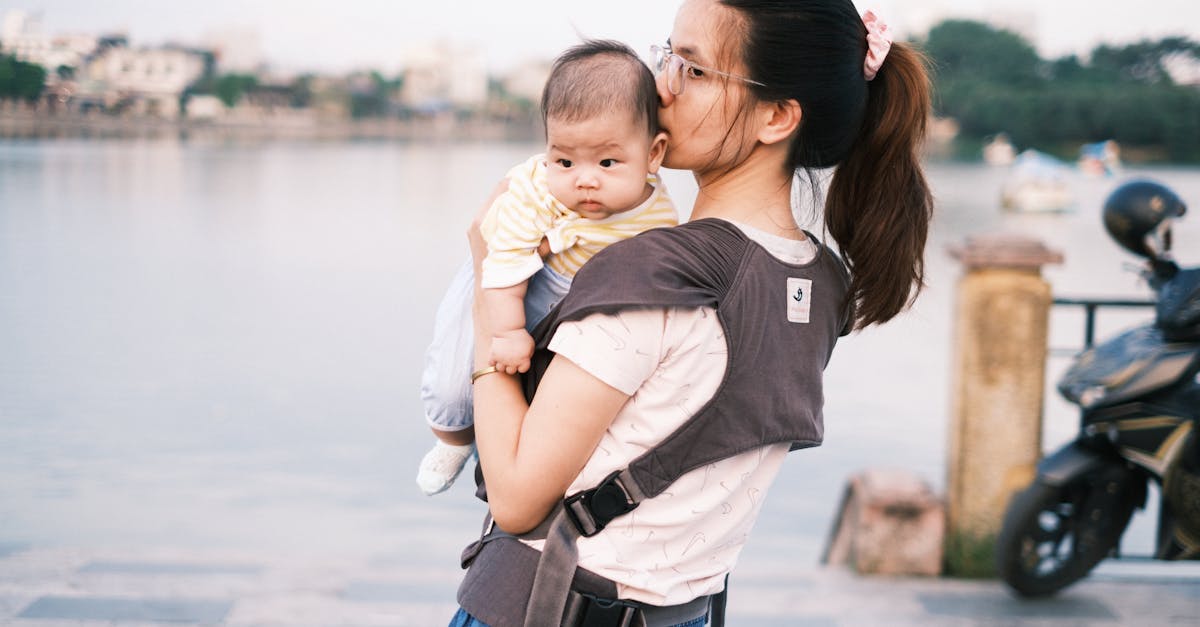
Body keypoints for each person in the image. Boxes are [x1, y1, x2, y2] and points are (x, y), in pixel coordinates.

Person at [454, 0, 933, 625]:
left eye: (695, 70)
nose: (661, 87)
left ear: (776, 117)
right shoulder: (819, 284)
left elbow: (517, 498)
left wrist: (490, 288)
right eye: (668, 56)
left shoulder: (655, 272)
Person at [416, 40, 678, 496]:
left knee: (531, 390)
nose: (584, 179)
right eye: (564, 160)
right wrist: (507, 331)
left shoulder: (659, 216)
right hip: (507, 276)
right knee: (453, 381)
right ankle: (452, 439)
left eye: (608, 162)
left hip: (574, 299)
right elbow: (501, 262)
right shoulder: (535, 192)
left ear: (653, 154)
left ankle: (495, 450)